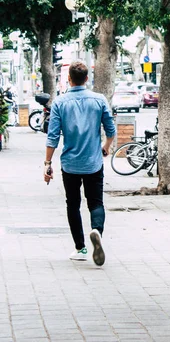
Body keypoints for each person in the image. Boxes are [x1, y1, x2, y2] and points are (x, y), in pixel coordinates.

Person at [44, 60, 116, 266]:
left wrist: (47, 163)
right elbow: (111, 130)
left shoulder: (60, 103)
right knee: (95, 202)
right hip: (93, 162)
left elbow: (52, 137)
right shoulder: (99, 100)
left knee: (73, 204)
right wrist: (106, 146)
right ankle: (97, 230)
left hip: (70, 164)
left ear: (69, 79)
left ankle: (81, 248)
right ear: (86, 79)